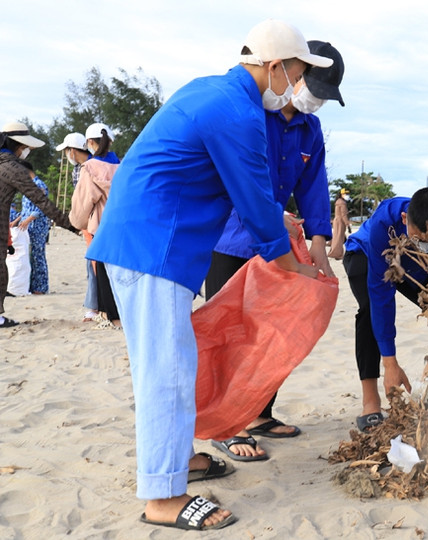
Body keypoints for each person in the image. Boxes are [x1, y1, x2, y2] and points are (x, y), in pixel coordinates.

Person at [85, 19, 332, 531]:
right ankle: (163, 499)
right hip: (153, 246)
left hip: (151, 244)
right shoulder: (234, 111)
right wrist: (293, 271)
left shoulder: (213, 91)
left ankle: (179, 462)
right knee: (167, 376)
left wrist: (287, 232)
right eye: (300, 72)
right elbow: (255, 198)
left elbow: (257, 197)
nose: (299, 84)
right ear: (276, 67)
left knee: (176, 364)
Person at [205, 39, 345, 462]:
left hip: (279, 246)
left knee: (274, 329)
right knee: (230, 331)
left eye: (323, 96)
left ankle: (259, 413)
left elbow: (314, 190)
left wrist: (320, 250)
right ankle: (225, 424)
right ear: (292, 75)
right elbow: (231, 177)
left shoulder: (309, 129)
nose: (315, 100)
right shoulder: (253, 115)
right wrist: (268, 212)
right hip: (232, 238)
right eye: (312, 87)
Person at [343, 186, 428, 431]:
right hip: (368, 256)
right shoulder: (386, 221)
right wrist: (390, 363)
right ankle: (371, 401)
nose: (424, 244)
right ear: (405, 219)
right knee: (370, 311)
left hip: (417, 268)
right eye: (419, 238)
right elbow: (382, 295)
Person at [0, 121, 78, 327]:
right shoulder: (13, 168)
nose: (26, 151)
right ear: (17, 145)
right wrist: (71, 225)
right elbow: (40, 201)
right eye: (25, 147)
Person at [69, 123, 121, 328]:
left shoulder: (90, 168)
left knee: (102, 271)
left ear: (89, 143)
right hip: (123, 226)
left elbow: (83, 201)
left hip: (102, 226)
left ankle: (113, 319)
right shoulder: (123, 165)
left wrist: (77, 223)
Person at [56, 132, 97, 321]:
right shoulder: (77, 170)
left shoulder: (90, 167)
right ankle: (95, 306)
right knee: (93, 264)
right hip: (88, 223)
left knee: (94, 264)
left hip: (93, 222)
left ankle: (94, 307)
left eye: (66, 151)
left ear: (72, 151)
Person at [10, 163, 51, 294]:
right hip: (27, 226)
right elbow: (26, 209)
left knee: (38, 255)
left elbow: (41, 207)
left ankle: (40, 287)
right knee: (29, 255)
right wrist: (16, 221)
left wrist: (27, 220)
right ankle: (32, 285)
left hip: (37, 226)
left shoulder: (39, 185)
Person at [328, 188, 351, 259]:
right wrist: (347, 224)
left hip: (336, 220)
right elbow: (343, 214)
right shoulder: (342, 203)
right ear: (342, 194)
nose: (347, 195)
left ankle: (335, 252)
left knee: (337, 237)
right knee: (339, 238)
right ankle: (336, 254)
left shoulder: (338, 201)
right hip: (340, 221)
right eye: (346, 194)